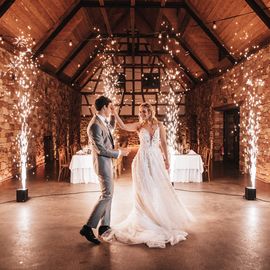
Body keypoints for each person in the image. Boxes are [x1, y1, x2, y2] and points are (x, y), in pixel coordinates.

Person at [103, 102, 193, 248]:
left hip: (156, 160)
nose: (143, 113)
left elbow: (163, 142)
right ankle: (145, 218)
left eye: (145, 111)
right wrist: (115, 113)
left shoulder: (160, 125)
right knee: (144, 189)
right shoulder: (139, 126)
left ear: (150, 112)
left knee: (159, 188)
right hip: (142, 160)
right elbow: (124, 126)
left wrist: (167, 160)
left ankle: (158, 217)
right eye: (141, 111)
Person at [80, 96, 130, 244]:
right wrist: (119, 152)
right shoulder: (95, 125)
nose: (111, 109)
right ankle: (88, 227)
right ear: (103, 107)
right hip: (102, 163)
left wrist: (114, 114)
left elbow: (111, 129)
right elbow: (101, 149)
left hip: (106, 162)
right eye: (110, 107)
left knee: (109, 194)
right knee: (107, 194)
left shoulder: (102, 121)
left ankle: (104, 226)